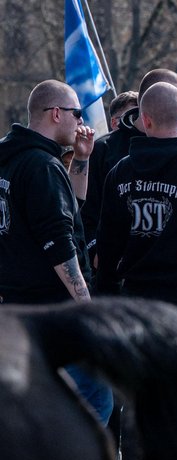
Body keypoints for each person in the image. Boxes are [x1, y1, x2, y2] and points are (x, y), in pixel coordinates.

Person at [0, 80, 111, 424]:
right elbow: (61, 245)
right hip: (48, 312)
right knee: (96, 396)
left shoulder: (12, 157)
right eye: (77, 113)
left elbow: (70, 209)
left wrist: (81, 160)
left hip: (14, 308)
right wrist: (87, 309)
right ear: (56, 113)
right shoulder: (42, 167)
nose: (81, 121)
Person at [94, 82, 177, 308]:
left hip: (130, 302)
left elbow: (108, 244)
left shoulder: (120, 173)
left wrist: (105, 292)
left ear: (145, 120)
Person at [81, 69, 177, 261]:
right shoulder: (103, 150)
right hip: (119, 281)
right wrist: (95, 252)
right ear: (151, 99)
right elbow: (86, 213)